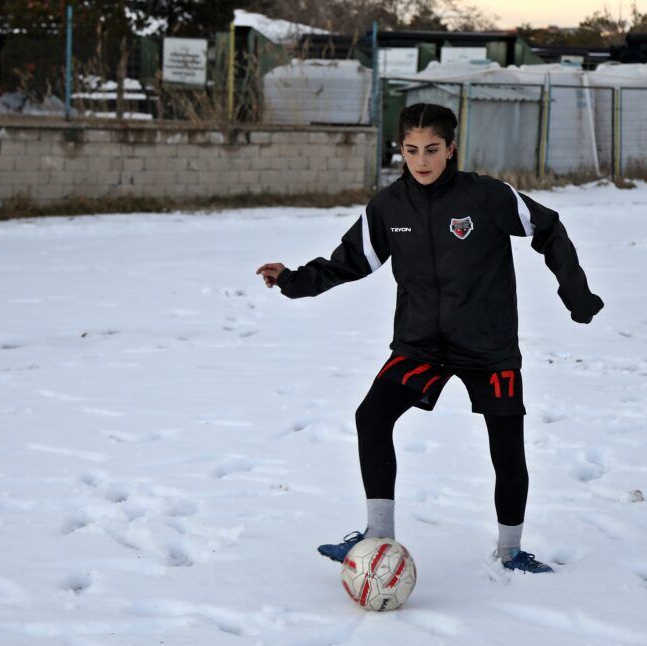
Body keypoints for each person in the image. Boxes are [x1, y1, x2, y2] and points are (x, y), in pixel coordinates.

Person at [255, 103, 604, 574]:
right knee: (371, 417)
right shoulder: (389, 207)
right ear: (400, 149)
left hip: (488, 347)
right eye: (412, 149)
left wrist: (576, 293)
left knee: (507, 447)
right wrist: (292, 280)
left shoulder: (487, 196)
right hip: (421, 344)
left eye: (432, 149)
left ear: (451, 148)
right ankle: (378, 536)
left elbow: (549, 228)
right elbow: (349, 261)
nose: (422, 160)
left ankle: (511, 552)